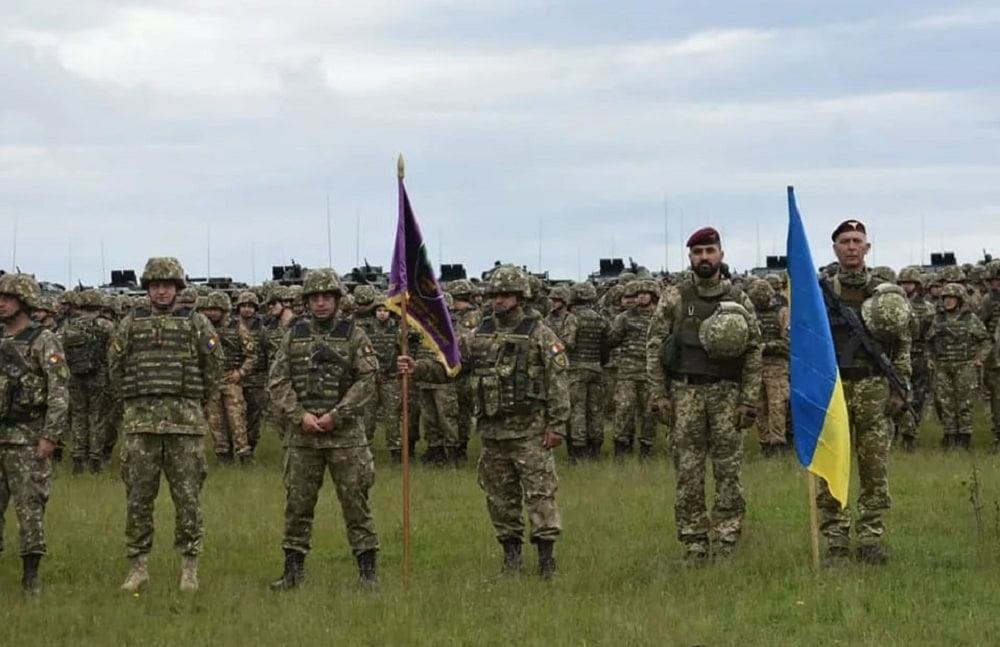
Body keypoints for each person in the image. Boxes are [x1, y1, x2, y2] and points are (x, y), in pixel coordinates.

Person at [398, 264, 570, 578]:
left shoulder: (539, 333)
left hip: (529, 431)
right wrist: (416, 367)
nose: (499, 300)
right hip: (492, 432)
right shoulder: (479, 334)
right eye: (494, 295)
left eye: (506, 295)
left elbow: (557, 378)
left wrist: (557, 425)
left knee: (540, 494)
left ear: (520, 296)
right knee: (499, 497)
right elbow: (451, 367)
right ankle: (511, 556)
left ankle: (546, 560)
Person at [646, 227, 762, 564]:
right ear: (690, 258)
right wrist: (660, 395)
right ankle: (694, 543)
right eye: (698, 253)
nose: (705, 258)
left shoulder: (738, 299)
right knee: (688, 472)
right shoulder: (675, 297)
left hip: (727, 395)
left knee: (728, 471)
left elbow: (754, 350)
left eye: (710, 251)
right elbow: (654, 346)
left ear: (721, 255)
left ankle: (726, 541)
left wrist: (749, 400)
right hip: (685, 394)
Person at [108, 257, 222, 592]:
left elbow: (213, 367)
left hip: (184, 427)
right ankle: (138, 566)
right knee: (138, 499)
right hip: (141, 426)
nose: (161, 291)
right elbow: (115, 365)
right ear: (147, 289)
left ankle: (189, 568)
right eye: (155, 285)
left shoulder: (197, 322)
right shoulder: (130, 323)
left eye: (167, 285)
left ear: (177, 288)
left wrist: (195, 402)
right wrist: (133, 401)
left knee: (188, 500)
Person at [267, 268, 380, 591]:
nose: (320, 303)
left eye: (326, 297)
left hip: (345, 438)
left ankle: (368, 573)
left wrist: (338, 414)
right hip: (303, 437)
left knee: (356, 504)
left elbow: (367, 379)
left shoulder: (354, 335)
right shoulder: (294, 334)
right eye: (314, 298)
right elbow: (278, 379)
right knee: (297, 506)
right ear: (306, 302)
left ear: (337, 299)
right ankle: (292, 573)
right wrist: (299, 414)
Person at [817, 220, 911, 565]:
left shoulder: (884, 293)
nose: (852, 247)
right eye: (845, 241)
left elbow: (901, 343)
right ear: (836, 249)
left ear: (867, 248)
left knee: (874, 468)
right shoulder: (821, 293)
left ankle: (870, 539)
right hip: (834, 390)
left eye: (857, 241)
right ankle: (836, 541)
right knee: (833, 466)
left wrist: (900, 389)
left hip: (874, 387)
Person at [0, 273, 70, 594]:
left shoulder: (43, 340)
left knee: (30, 509)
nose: (2, 304)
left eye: (8, 298)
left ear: (24, 301)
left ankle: (31, 578)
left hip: (27, 438)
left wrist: (50, 435)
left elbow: (58, 389)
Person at [926, 283, 992, 450]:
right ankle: (949, 438)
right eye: (945, 298)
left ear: (960, 300)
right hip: (943, 367)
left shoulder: (971, 319)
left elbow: (985, 340)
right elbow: (928, 341)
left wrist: (980, 358)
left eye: (952, 299)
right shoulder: (938, 319)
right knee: (945, 404)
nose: (948, 302)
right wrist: (929, 358)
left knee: (964, 404)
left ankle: (964, 440)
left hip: (965, 367)